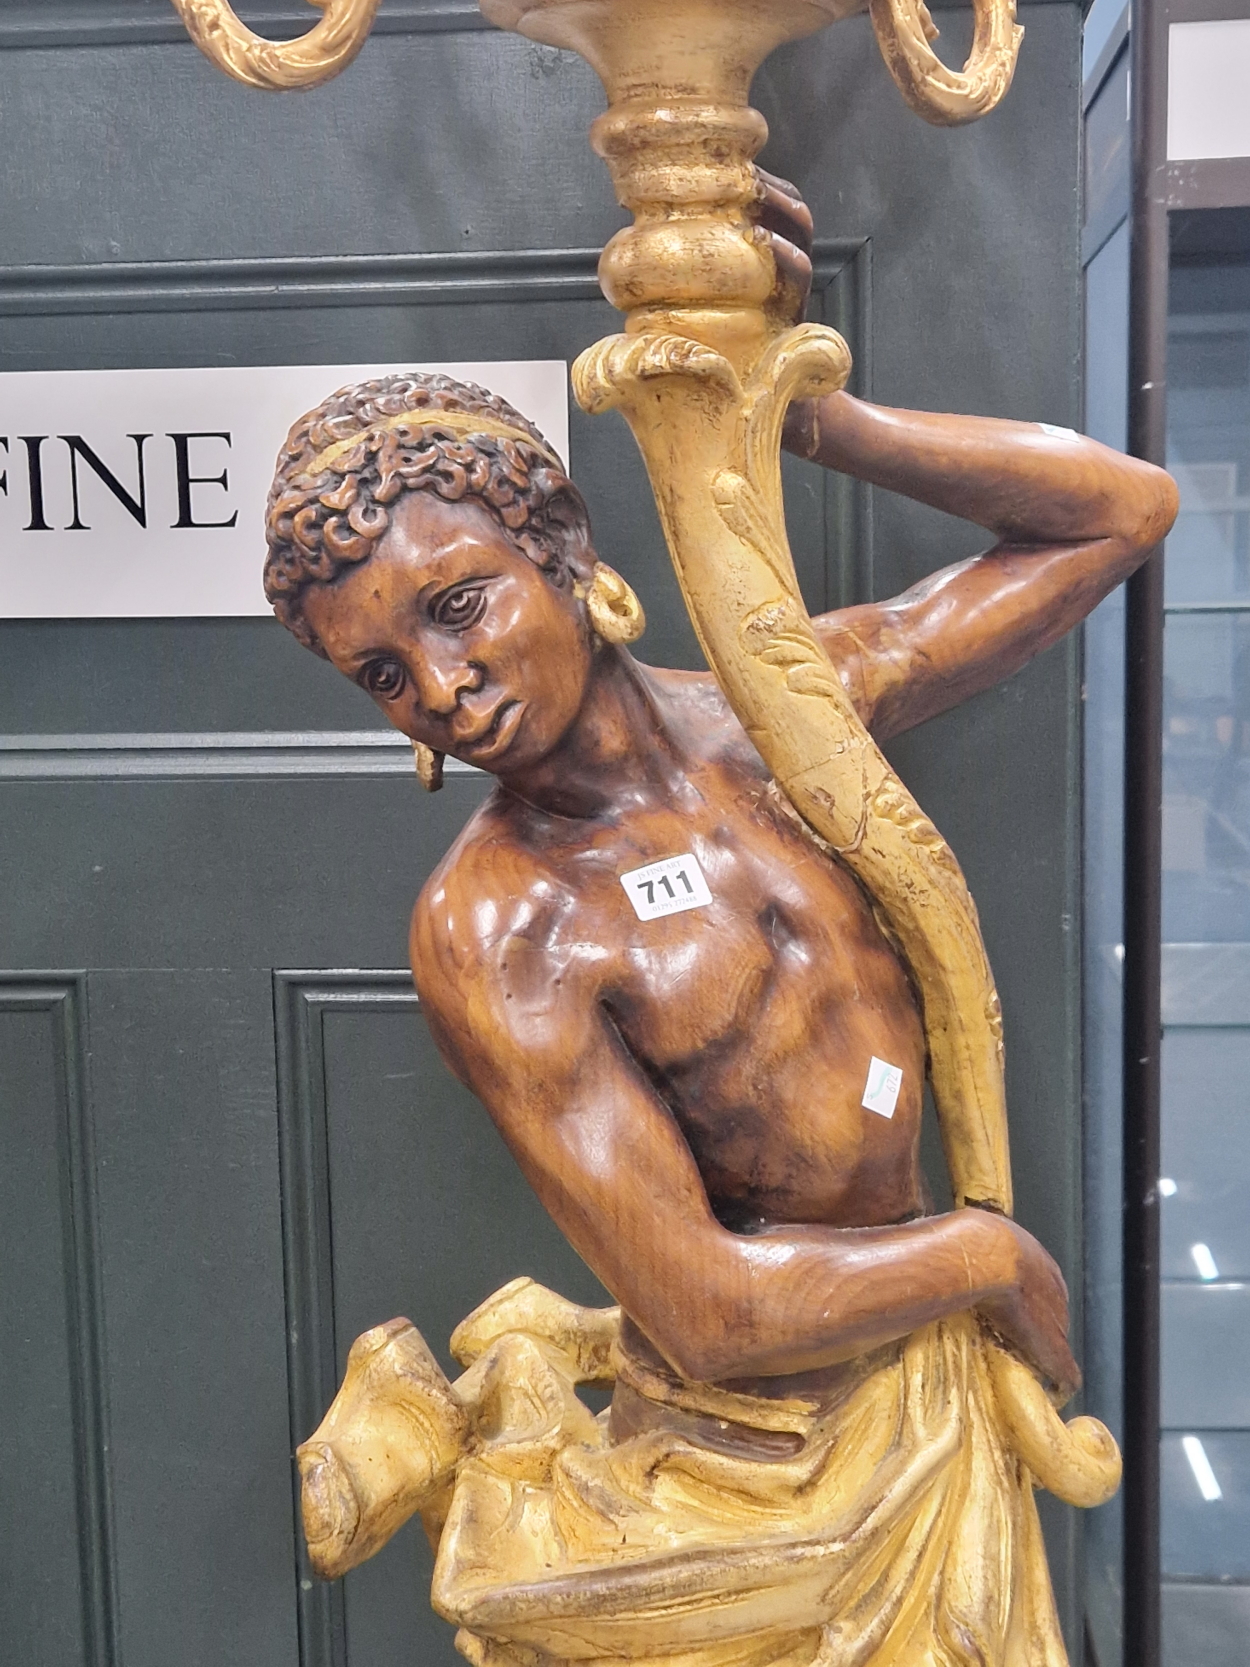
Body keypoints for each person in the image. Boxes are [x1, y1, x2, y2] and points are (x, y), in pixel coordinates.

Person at [263, 177, 1176, 1665]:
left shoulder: (783, 707)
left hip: (920, 1403)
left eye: (458, 605)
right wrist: (986, 1259)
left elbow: (1118, 513)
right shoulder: (499, 928)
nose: (439, 688)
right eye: (380, 674)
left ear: (564, 558)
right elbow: (705, 1311)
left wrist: (800, 409)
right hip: (751, 1458)